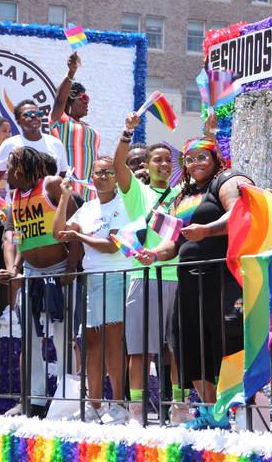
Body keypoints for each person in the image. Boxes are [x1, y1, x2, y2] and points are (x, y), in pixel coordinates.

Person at [144, 136, 252, 430]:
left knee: (229, 342)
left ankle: (237, 410)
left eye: (202, 157)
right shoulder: (183, 196)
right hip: (188, 280)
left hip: (224, 276)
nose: (195, 163)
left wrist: (207, 230)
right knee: (189, 346)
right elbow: (174, 243)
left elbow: (240, 212)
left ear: (216, 158)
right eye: (190, 159)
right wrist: (153, 254)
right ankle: (210, 413)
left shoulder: (226, 180)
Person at [0, 146, 81, 418]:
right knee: (30, 340)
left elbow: (77, 226)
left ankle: (68, 398)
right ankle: (33, 400)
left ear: (22, 167)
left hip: (59, 273)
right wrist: (15, 268)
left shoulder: (51, 185)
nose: (6, 173)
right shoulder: (15, 196)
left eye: (10, 167)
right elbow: (20, 237)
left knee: (63, 337)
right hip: (30, 273)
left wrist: (70, 267)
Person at [113, 116, 187, 423]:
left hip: (176, 277)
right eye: (157, 160)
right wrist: (127, 131)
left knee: (176, 348)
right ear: (148, 164)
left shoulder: (182, 193)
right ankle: (137, 409)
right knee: (141, 349)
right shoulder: (137, 192)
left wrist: (210, 133)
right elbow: (118, 165)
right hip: (142, 278)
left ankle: (180, 407)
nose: (163, 165)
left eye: (168, 160)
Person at [52, 156, 129, 424]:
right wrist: (64, 197)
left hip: (117, 277)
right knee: (92, 347)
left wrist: (79, 237)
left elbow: (112, 245)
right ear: (92, 177)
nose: (104, 177)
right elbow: (58, 232)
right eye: (98, 173)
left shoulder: (124, 204)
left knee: (113, 345)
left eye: (109, 172)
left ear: (117, 177)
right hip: (92, 280)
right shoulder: (87, 208)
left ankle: (119, 405)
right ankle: (94, 406)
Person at [0, 100, 69, 192]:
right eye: (27, 114)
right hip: (18, 204)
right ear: (18, 121)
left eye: (37, 113)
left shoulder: (55, 143)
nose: (33, 116)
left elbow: (63, 173)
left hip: (49, 204)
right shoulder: (9, 144)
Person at [50, 52, 100, 200]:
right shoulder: (61, 122)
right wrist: (71, 72)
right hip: (68, 190)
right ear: (70, 100)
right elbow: (59, 100)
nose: (87, 102)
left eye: (88, 98)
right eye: (83, 98)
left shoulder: (87, 127)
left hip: (90, 192)